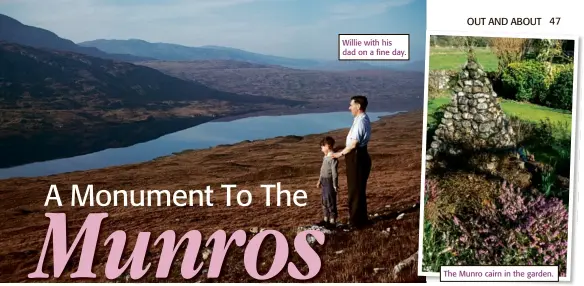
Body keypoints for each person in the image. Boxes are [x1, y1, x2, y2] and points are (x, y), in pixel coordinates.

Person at [332, 95, 371, 229]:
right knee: (357, 190)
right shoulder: (360, 119)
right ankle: (361, 220)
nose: (349, 107)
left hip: (356, 157)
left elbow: (354, 144)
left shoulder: (361, 121)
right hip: (357, 156)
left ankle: (356, 223)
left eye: (351, 105)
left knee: (355, 191)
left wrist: (339, 154)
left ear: (358, 106)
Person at [316, 136, 339, 227]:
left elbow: (334, 173)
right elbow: (322, 170)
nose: (321, 148)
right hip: (324, 181)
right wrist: (319, 181)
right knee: (324, 201)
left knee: (330, 201)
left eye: (322, 146)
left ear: (328, 146)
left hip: (329, 182)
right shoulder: (325, 157)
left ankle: (332, 221)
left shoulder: (333, 158)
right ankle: (326, 220)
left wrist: (335, 185)